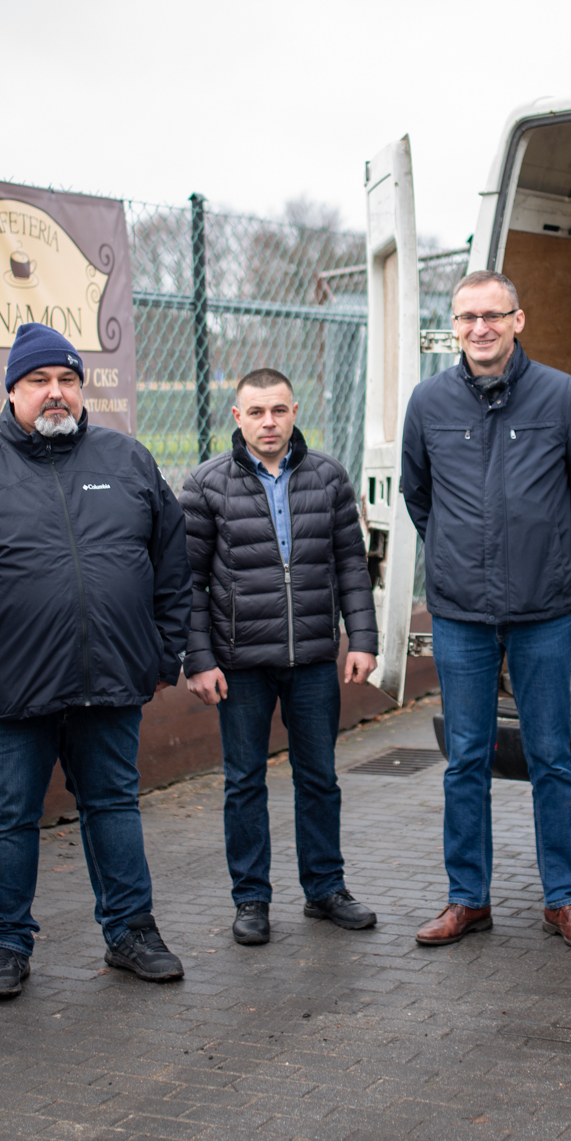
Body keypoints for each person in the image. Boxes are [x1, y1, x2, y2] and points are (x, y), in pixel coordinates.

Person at [0, 321, 191, 996]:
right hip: (6, 691)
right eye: (38, 381)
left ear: (82, 388)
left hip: (111, 683)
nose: (55, 393)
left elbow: (172, 567)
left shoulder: (129, 461)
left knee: (113, 806)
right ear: (12, 390)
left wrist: (160, 654)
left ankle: (131, 930)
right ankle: (5, 946)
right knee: (6, 817)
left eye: (67, 380)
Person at [400, 270, 571, 951]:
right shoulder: (428, 402)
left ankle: (562, 900)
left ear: (519, 319)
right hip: (461, 613)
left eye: (493, 315)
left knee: (551, 755)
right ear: (453, 327)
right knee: (467, 758)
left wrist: (549, 555)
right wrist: (461, 556)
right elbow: (418, 495)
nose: (480, 328)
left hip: (543, 612)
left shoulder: (560, 395)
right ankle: (469, 898)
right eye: (467, 317)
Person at [180, 367, 381, 946]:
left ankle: (325, 889)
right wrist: (198, 658)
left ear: (295, 412)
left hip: (315, 658)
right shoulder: (206, 485)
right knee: (244, 782)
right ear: (237, 417)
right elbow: (189, 582)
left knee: (319, 776)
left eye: (279, 411)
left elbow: (351, 564)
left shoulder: (328, 478)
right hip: (238, 663)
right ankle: (251, 900)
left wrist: (361, 640)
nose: (269, 422)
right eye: (256, 412)